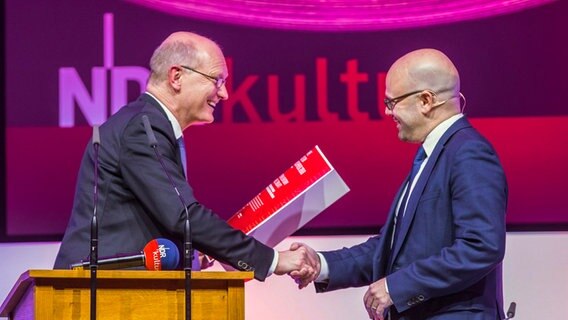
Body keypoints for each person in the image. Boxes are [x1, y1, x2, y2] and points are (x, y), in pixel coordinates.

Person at [54, 31, 313, 281]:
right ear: (176, 76)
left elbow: (154, 216)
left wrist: (191, 254)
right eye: (217, 80)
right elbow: (183, 216)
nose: (224, 94)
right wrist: (272, 261)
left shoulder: (147, 123)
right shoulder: (142, 128)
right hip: (95, 296)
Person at [291, 48, 508, 319]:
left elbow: (481, 246)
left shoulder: (468, 153)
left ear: (426, 100)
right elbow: (391, 249)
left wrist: (397, 287)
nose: (386, 111)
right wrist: (321, 264)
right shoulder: (432, 156)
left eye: (391, 102)